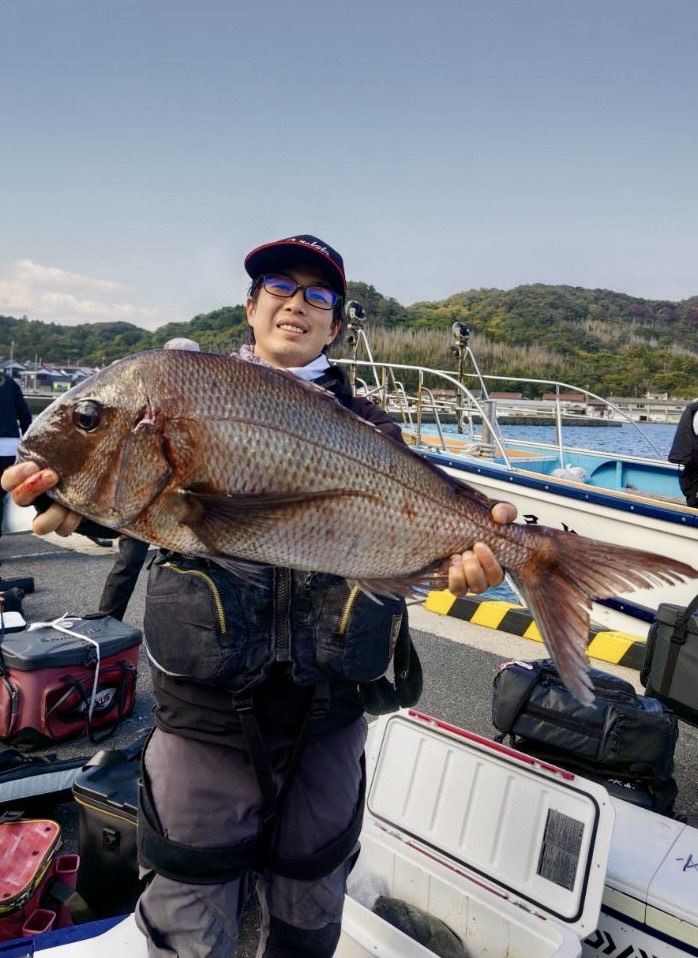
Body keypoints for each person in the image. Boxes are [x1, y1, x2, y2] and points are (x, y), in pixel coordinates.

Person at [4, 233, 516, 958]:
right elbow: (142, 510)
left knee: (309, 905)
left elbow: (401, 528)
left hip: (328, 716)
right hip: (205, 720)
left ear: (334, 327)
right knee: (189, 911)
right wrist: (77, 509)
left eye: (319, 295)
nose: (296, 303)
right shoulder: (183, 393)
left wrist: (471, 549)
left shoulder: (371, 427)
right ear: (250, 307)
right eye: (279, 285)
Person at [97, 337, 201, 620]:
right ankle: (107, 622)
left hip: (185, 495)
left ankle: (179, 629)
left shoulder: (203, 400)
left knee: (186, 568)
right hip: (142, 493)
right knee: (129, 562)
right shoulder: (141, 398)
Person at [0, 371, 32, 537]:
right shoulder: (10, 383)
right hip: (9, 448)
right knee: (2, 490)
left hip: (8, 446)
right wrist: (28, 446)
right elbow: (25, 416)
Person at [668, 399, 698, 507]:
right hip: (694, 462)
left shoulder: (692, 408)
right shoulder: (695, 410)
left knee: (689, 482)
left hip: (691, 460)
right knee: (691, 484)